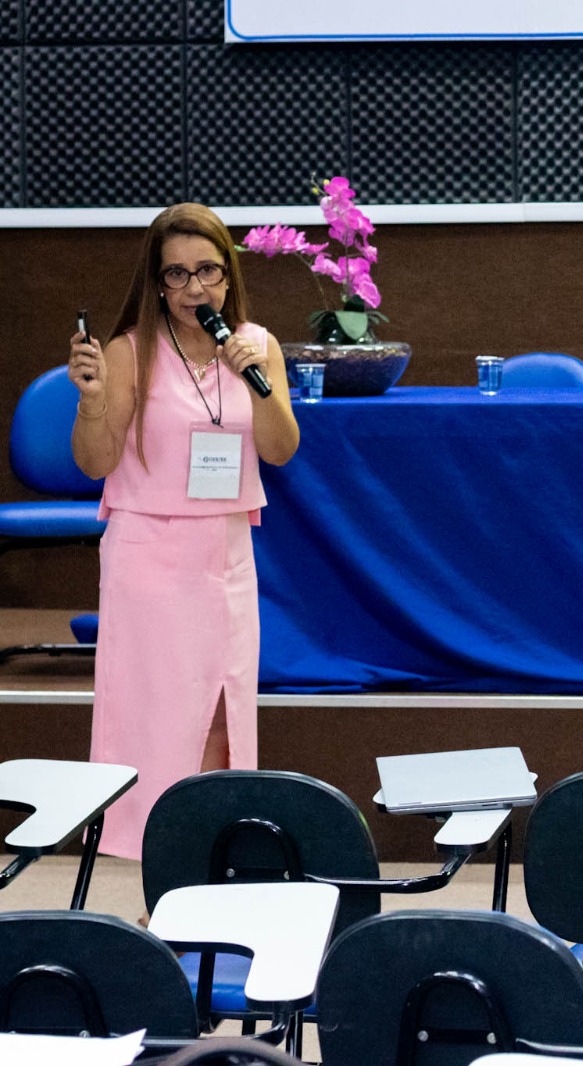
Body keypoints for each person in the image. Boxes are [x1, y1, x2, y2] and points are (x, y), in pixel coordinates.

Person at [68, 203, 300, 860]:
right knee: (161, 727)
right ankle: (164, 869)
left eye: (208, 271)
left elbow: (281, 449)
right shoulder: (130, 352)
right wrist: (91, 402)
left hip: (225, 554)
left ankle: (209, 863)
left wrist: (255, 382)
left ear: (229, 275)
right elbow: (95, 463)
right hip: (150, 557)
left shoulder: (257, 346)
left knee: (225, 718)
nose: (195, 288)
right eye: (176, 274)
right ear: (157, 283)